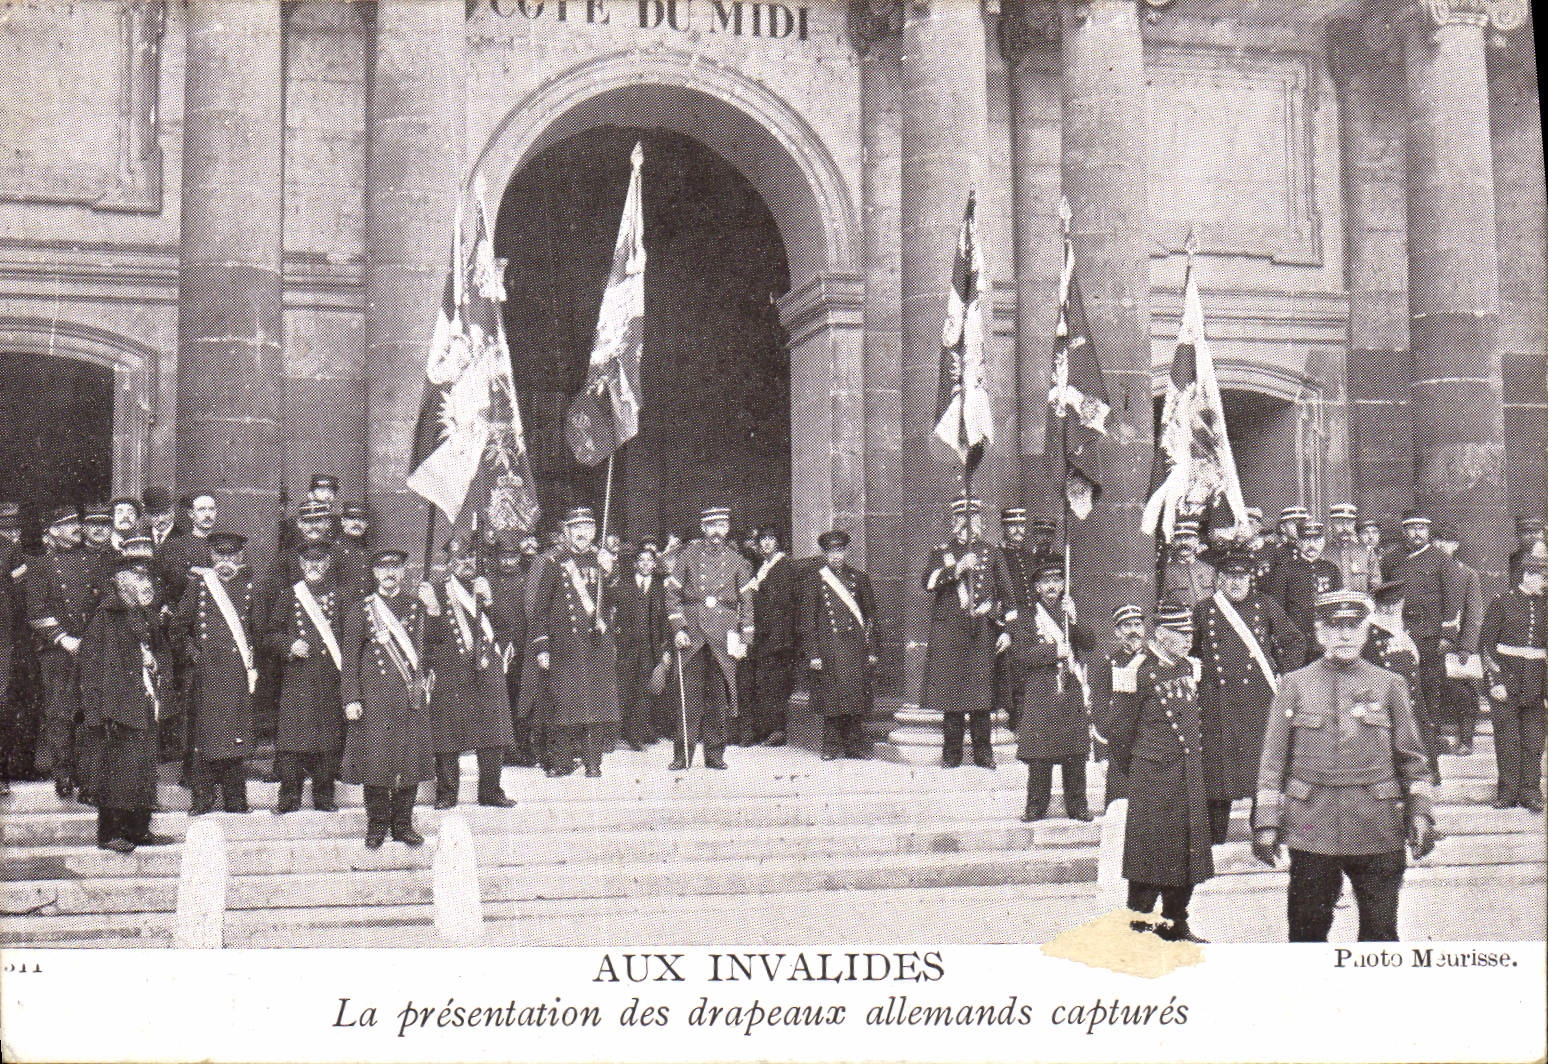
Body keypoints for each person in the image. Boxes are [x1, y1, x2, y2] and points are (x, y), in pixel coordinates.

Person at [1252, 590, 1435, 943]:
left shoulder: (1390, 685)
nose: (1345, 636)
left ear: (1367, 630)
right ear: (1320, 634)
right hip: (1312, 827)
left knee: (1380, 935)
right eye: (1335, 628)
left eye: (1353, 626)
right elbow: (1273, 764)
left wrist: (1421, 813)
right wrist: (1266, 822)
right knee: (1306, 934)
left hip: (1377, 825)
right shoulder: (1293, 686)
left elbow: (1414, 762)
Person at [1106, 603, 1214, 943]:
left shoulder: (1190, 667)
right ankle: (1137, 927)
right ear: (1163, 636)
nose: (1188, 640)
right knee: (1148, 854)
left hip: (1188, 773)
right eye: (1182, 635)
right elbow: (1119, 733)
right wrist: (1140, 771)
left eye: (1190, 634)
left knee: (1187, 853)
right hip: (1152, 777)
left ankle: (1176, 923)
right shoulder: (1136, 671)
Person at [1191, 550, 1305, 844]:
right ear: (1219, 580)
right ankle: (1214, 841)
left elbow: (1294, 641)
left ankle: (1262, 834)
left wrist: (1285, 674)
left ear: (1250, 579)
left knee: (1260, 769)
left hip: (1258, 699)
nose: (1235, 583)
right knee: (1217, 772)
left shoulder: (1265, 605)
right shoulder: (1204, 610)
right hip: (1217, 701)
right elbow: (1189, 652)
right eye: (1229, 578)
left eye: (1241, 577)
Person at [340, 548, 440, 848]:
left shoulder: (417, 606)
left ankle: (402, 824)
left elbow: (436, 644)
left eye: (395, 568)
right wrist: (351, 698)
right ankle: (377, 824)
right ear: (374, 574)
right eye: (383, 569)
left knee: (408, 764)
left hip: (409, 698)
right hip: (375, 700)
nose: (389, 574)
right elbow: (350, 660)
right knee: (376, 763)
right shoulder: (362, 610)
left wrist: (433, 610)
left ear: (402, 572)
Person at [78, 563, 173, 852]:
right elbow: (91, 666)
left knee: (142, 768)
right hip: (116, 708)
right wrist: (99, 712)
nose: (146, 584)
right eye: (138, 578)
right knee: (116, 772)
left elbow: (158, 653)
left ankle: (139, 829)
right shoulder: (105, 617)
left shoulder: (145, 615)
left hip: (142, 702)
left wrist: (154, 664)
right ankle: (110, 833)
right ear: (121, 582)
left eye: (147, 578)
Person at [172, 531, 265, 815]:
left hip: (237, 674)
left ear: (240, 556)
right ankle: (202, 799)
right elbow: (177, 627)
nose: (225, 561)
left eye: (231, 555)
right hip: (207, 673)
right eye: (219, 555)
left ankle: (236, 800)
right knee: (206, 736)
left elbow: (258, 633)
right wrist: (193, 653)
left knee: (235, 735)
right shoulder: (199, 586)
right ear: (211, 557)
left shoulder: (252, 588)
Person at [532, 507, 621, 777]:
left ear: (594, 531)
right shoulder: (555, 562)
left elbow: (619, 602)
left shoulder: (603, 560)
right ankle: (562, 761)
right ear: (567, 532)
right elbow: (541, 609)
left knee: (595, 704)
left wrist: (611, 573)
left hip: (596, 644)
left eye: (586, 528)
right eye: (575, 528)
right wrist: (542, 646)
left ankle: (593, 762)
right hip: (565, 646)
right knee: (564, 704)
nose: (582, 533)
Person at [664, 505, 753, 771]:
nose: (717, 531)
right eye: (712, 526)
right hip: (692, 635)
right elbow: (671, 594)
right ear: (704, 528)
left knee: (718, 699)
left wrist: (745, 638)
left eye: (722, 526)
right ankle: (683, 755)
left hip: (724, 635)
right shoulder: (688, 555)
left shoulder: (737, 560)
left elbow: (746, 602)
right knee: (687, 698)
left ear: (727, 529)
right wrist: (679, 628)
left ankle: (715, 755)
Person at [428, 539, 516, 804]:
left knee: (492, 734)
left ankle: (490, 792)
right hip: (451, 671)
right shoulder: (437, 591)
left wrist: (489, 601)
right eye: (459, 559)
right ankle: (447, 794)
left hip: (487, 669)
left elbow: (509, 626)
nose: (465, 564)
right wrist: (432, 611)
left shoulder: (490, 586)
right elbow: (427, 639)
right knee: (447, 736)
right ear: (450, 563)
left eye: (470, 558)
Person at [1010, 556, 1095, 820]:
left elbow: (1089, 643)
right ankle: (1036, 805)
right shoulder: (1026, 617)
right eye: (1046, 581)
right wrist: (1053, 650)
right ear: (1036, 587)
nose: (1052, 586)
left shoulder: (1068, 612)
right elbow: (1022, 654)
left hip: (1069, 688)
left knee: (1075, 751)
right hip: (1042, 690)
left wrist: (1075, 619)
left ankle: (1078, 805)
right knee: (1040, 754)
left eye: (1057, 581)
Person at [264, 543, 344, 813]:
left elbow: (350, 638)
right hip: (297, 679)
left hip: (329, 679)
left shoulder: (340, 597)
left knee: (327, 740)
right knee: (292, 740)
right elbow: (270, 635)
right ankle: (289, 797)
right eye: (309, 561)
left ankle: (324, 796)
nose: (314, 566)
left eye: (320, 561)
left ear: (328, 563)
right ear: (300, 563)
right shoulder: (289, 596)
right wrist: (289, 645)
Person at [921, 498, 999, 769]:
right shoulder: (942, 552)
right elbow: (928, 582)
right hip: (950, 633)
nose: (968, 523)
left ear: (980, 521)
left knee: (980, 698)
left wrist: (1005, 629)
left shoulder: (991, 552)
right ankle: (951, 753)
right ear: (954, 523)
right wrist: (956, 569)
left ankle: (984, 753)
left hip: (980, 632)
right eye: (963, 518)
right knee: (952, 697)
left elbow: (1006, 595)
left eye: (974, 517)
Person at [26, 505, 95, 801]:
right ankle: (63, 774)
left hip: (89, 647)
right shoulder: (41, 566)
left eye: (76, 523)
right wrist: (63, 638)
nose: (76, 528)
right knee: (59, 713)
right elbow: (36, 612)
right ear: (53, 531)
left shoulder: (88, 560)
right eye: (68, 524)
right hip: (58, 651)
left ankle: (87, 776)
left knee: (88, 711)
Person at [1384, 510, 1463, 748]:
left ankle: (1431, 736)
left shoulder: (1441, 559)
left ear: (1428, 531)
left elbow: (1453, 599)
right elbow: (1384, 596)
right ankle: (1404, 736)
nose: (1417, 533)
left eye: (1422, 528)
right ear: (1404, 531)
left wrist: (1448, 635)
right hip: (1399, 632)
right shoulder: (1391, 559)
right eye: (1412, 528)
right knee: (1401, 683)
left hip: (1430, 635)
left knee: (1430, 684)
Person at [800, 529, 876, 761]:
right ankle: (831, 746)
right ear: (825, 553)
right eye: (832, 552)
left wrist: (871, 649)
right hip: (829, 647)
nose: (836, 556)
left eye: (840, 551)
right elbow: (808, 620)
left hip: (854, 646)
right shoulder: (815, 579)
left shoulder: (859, 578)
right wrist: (813, 653)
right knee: (832, 699)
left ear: (845, 552)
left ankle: (854, 746)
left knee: (855, 697)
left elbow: (870, 617)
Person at [1479, 555, 1546, 812]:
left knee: (1534, 741)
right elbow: (1486, 645)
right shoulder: (1502, 602)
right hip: (1506, 680)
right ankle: (1507, 792)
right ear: (1526, 576)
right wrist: (1494, 681)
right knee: (1507, 739)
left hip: (1536, 683)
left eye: (1544, 577)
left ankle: (1530, 792)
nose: (1543, 583)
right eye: (1541, 577)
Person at [1364, 578, 1439, 785]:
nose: (1390, 611)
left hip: (1414, 706)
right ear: (1378, 607)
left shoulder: (1409, 630)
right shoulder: (1368, 636)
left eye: (1395, 605)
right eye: (1385, 606)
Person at [1432, 522, 1485, 756]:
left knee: (1464, 694)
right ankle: (1433, 740)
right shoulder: (1424, 570)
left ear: (1456, 546)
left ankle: (1466, 740)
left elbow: (1474, 615)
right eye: (1438, 540)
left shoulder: (1466, 573)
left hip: (1455, 647)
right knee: (1429, 691)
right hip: (1429, 644)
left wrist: (1466, 647)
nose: (1442, 545)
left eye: (1448, 541)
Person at [612, 540, 667, 752]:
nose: (645, 564)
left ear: (654, 564)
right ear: (635, 563)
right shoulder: (624, 585)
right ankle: (615, 734)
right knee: (623, 689)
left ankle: (636, 735)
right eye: (641, 560)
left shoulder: (660, 587)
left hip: (649, 649)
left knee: (643, 692)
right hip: (626, 647)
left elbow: (664, 620)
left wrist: (663, 650)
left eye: (649, 561)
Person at [744, 528, 796, 747]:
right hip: (764, 634)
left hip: (778, 635)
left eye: (771, 538)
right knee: (764, 680)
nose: (765, 543)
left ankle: (777, 729)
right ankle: (767, 728)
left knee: (775, 681)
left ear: (779, 542)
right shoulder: (763, 567)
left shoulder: (784, 566)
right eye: (762, 539)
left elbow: (781, 603)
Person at [1267, 519, 1342, 664]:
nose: (1312, 545)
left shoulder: (1331, 569)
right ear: (1299, 542)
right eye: (1306, 540)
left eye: (1316, 540)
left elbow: (1337, 608)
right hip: (1296, 643)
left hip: (1325, 642)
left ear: (1323, 542)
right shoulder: (1285, 570)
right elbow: (1277, 610)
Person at [486, 540, 534, 766]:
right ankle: (503, 749)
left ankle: (521, 747)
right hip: (497, 649)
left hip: (522, 649)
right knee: (499, 700)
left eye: (512, 557)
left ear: (519, 558)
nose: (507, 562)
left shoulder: (527, 582)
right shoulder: (491, 583)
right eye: (503, 558)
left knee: (521, 700)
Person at [992, 507, 1036, 733]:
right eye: (1012, 525)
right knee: (1015, 671)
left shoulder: (1029, 556)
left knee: (1031, 670)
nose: (1018, 530)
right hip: (1012, 619)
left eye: (1021, 525)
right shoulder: (998, 555)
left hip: (1032, 618)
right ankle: (1016, 723)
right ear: (1004, 528)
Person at [1158, 519, 1215, 609]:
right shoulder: (1166, 572)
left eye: (1188, 538)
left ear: (1197, 541)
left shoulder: (1209, 570)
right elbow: (1162, 604)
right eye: (1179, 538)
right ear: (1173, 543)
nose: (1183, 542)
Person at [1327, 503, 1374, 593]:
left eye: (1349, 523)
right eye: (1339, 523)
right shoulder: (1324, 553)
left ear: (1354, 524)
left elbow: (1376, 587)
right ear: (1331, 525)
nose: (1345, 528)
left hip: (1360, 605)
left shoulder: (1367, 551)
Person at [1507, 515, 1546, 580]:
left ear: (1542, 534)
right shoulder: (1513, 560)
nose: (1533, 535)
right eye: (1527, 531)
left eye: (1537, 531)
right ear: (1518, 534)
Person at [142, 486, 179, 551]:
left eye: (165, 513)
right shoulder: (141, 538)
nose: (161, 519)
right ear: (147, 516)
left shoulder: (183, 536)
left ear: (173, 512)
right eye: (155, 515)